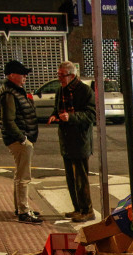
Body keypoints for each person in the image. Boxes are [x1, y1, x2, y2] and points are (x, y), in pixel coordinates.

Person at [48, 61, 97, 223]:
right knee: (70, 177)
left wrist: (72, 117)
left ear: (72, 75)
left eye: (62, 75)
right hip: (66, 139)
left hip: (80, 140)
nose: (59, 78)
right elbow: (58, 108)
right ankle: (77, 208)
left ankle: (87, 210)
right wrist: (54, 116)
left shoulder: (84, 91)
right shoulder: (60, 90)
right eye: (59, 75)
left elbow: (91, 115)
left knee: (80, 178)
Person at [0, 59, 42, 223]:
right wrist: (23, 139)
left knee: (19, 175)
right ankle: (23, 211)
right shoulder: (9, 93)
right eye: (22, 73)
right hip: (20, 139)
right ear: (12, 75)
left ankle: (20, 208)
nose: (25, 76)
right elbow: (8, 120)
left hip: (20, 137)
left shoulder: (14, 90)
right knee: (24, 177)